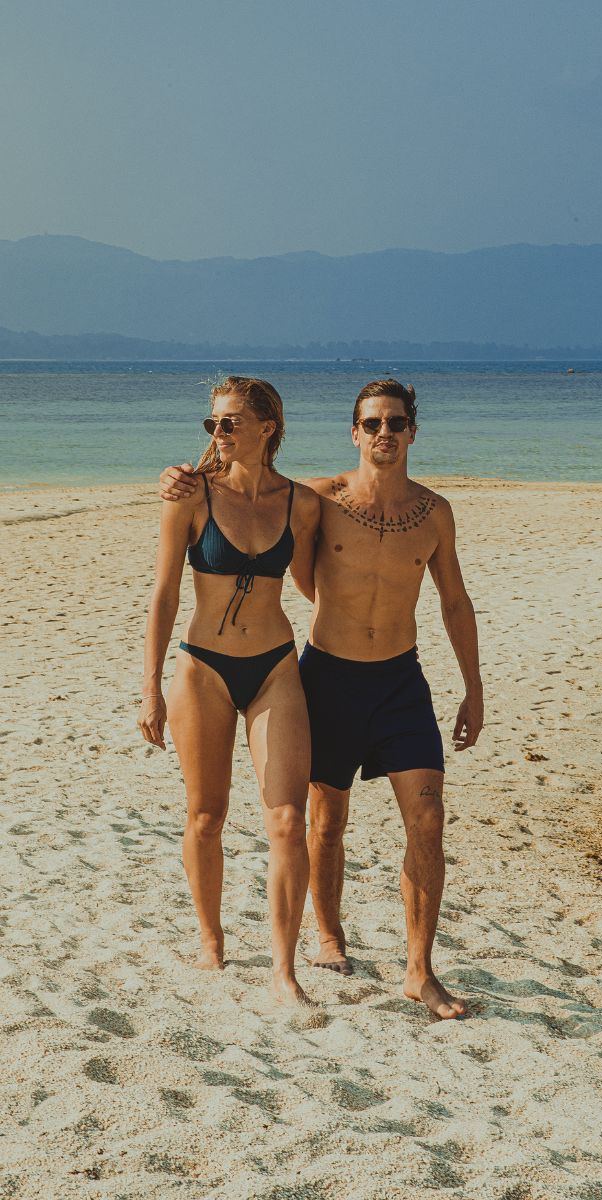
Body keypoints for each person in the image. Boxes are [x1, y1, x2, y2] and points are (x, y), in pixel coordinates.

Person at [160, 379, 483, 1020]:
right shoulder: (322, 501)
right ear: (354, 433)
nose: (383, 433)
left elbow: (453, 600)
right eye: (371, 424)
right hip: (328, 674)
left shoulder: (435, 511)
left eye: (395, 422)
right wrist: (181, 476)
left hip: (401, 680)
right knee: (324, 820)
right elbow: (293, 566)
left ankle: (420, 970)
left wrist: (474, 687)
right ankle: (328, 935)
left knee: (427, 818)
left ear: (413, 431)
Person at [139, 375, 320, 1007]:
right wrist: (150, 687)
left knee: (288, 819)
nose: (218, 432)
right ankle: (211, 941)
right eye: (212, 422)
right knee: (205, 815)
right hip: (203, 669)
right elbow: (163, 594)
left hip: (275, 667)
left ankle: (284, 969)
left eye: (231, 422)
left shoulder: (301, 502)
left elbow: (318, 581)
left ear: (269, 427)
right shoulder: (190, 496)